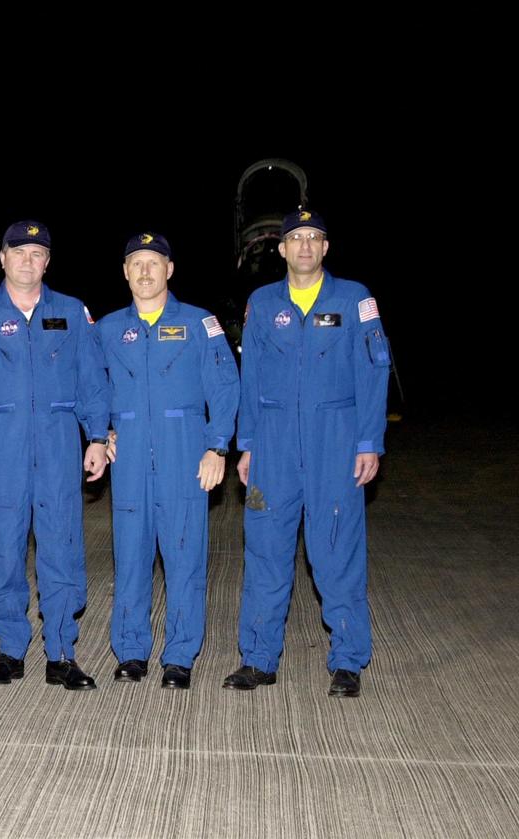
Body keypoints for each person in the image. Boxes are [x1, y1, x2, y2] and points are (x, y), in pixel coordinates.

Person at [225, 210, 390, 698]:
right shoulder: (262, 302)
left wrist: (368, 442)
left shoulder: (354, 299)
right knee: (265, 550)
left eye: (313, 238)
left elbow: (374, 371)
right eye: (295, 238)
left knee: (336, 551)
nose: (303, 247)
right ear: (281, 249)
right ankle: (257, 659)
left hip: (334, 443)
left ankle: (347, 660)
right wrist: (247, 444)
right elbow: (249, 377)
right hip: (272, 448)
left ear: (325, 248)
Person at [89, 233, 238, 690]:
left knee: (184, 558)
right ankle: (131, 652)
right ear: (125, 272)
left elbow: (225, 386)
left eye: (155, 263)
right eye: (137, 263)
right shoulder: (108, 329)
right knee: (130, 557)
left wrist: (217, 446)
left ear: (169, 270)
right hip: (130, 458)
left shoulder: (199, 323)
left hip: (184, 454)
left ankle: (179, 656)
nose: (146, 271)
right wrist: (100, 432)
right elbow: (92, 386)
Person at [0, 220, 107, 690]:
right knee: (2, 550)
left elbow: (92, 380)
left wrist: (97, 439)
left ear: (48, 261)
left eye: (38, 253)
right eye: (19, 252)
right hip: (1, 444)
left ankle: (62, 652)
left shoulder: (71, 312)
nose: (28, 260)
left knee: (61, 546)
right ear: (1, 257)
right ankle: (10, 648)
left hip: (57, 442)